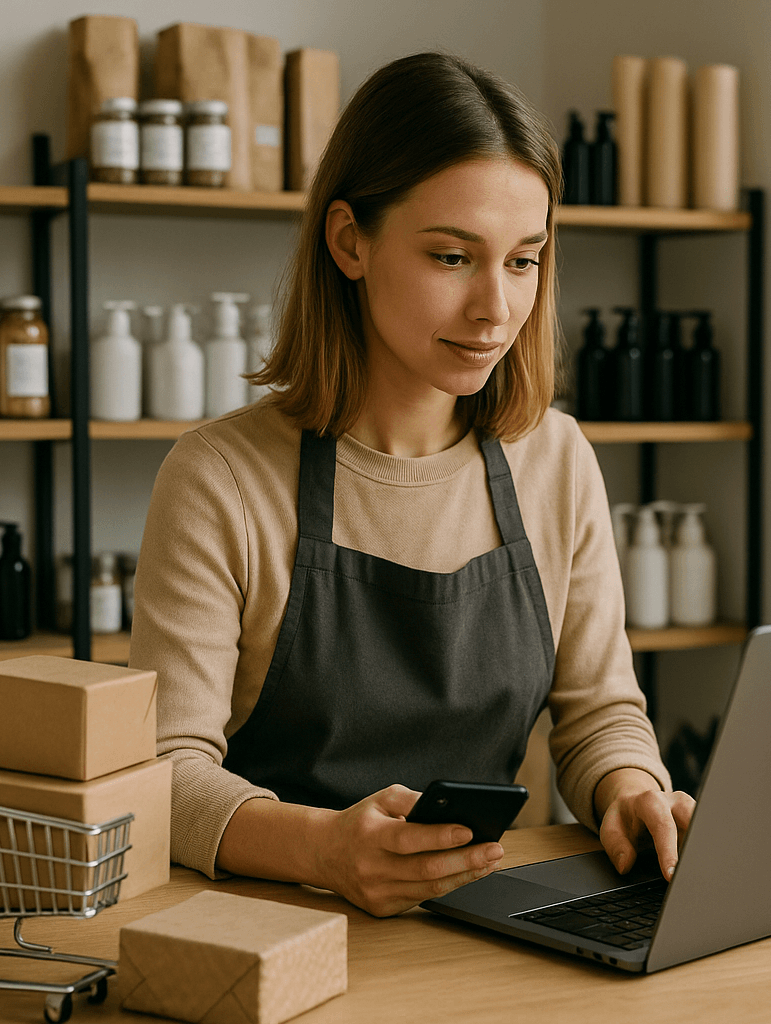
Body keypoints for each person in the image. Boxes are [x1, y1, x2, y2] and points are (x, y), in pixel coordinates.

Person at [130, 52, 694, 918]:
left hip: (487, 927)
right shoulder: (220, 479)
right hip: (267, 930)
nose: (496, 310)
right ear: (350, 241)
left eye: (523, 261)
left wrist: (631, 793)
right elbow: (166, 773)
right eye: (451, 256)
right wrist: (323, 848)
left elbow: (598, 715)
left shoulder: (557, 459)